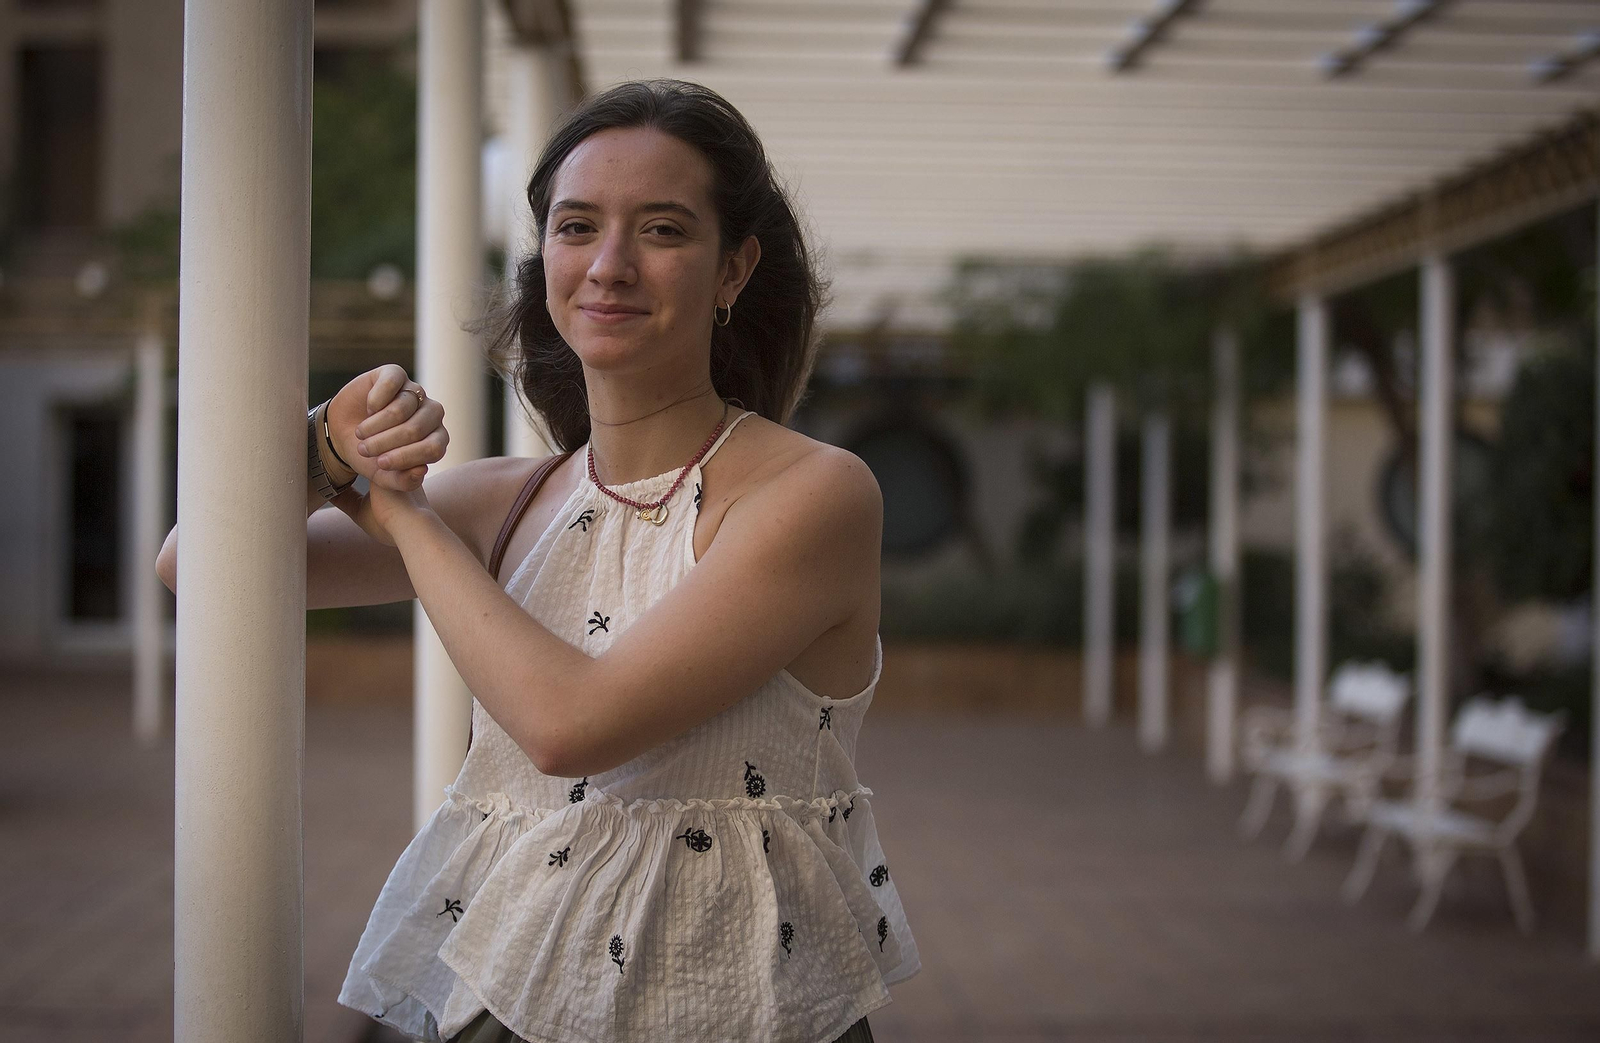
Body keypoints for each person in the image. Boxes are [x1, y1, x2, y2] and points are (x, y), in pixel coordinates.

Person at [170, 77, 919, 1043]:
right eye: (576, 227)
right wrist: (327, 445)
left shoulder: (812, 493)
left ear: (733, 269)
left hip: (737, 1009)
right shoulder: (510, 498)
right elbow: (197, 563)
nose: (608, 265)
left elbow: (573, 727)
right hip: (508, 999)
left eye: (661, 230)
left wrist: (400, 516)